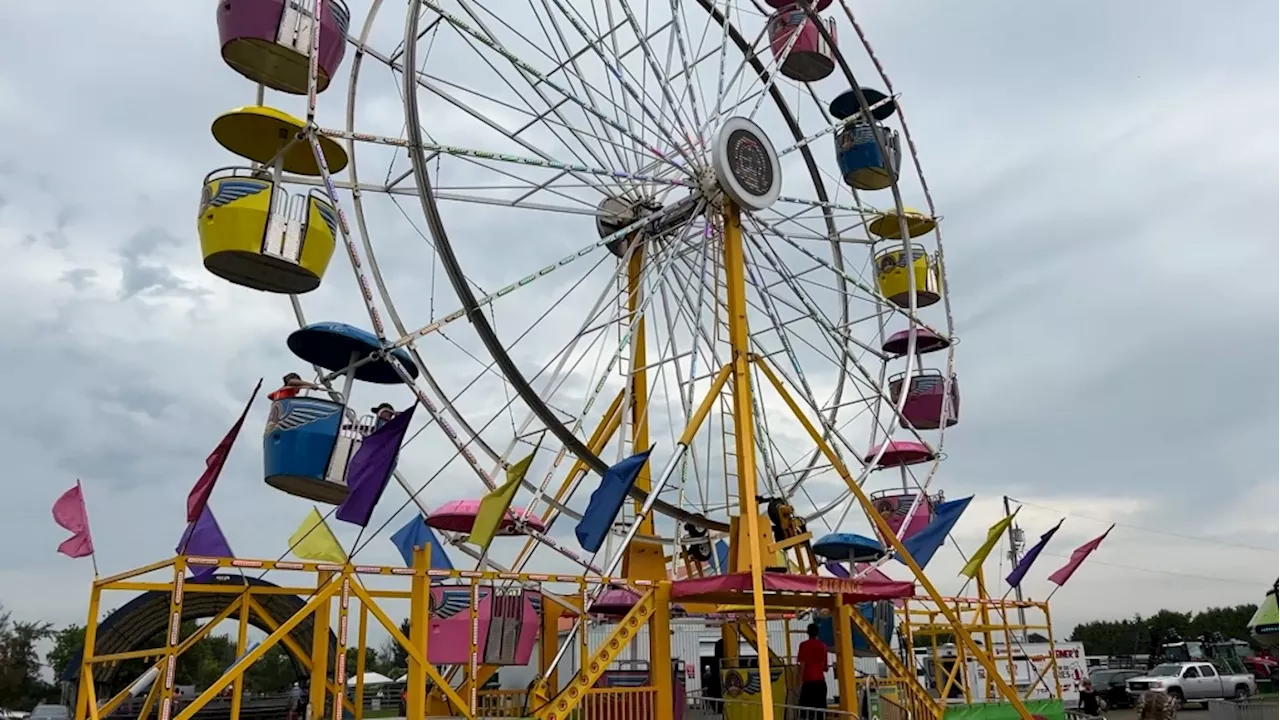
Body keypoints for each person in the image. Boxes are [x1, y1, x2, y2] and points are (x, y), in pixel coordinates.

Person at [797, 623, 828, 719]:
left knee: (806, 713)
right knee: (820, 713)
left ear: (807, 632)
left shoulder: (803, 645)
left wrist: (798, 682)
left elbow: (802, 665)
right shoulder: (823, 646)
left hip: (808, 683)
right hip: (820, 683)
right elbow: (825, 668)